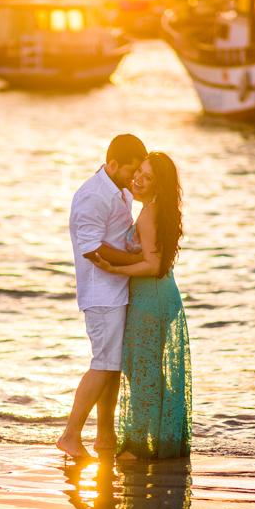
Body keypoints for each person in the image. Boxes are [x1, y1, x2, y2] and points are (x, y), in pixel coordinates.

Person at [90, 152, 191, 460]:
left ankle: (138, 448)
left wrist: (115, 269)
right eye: (138, 173)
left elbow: (153, 264)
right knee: (147, 371)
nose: (138, 180)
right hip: (157, 296)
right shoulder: (157, 209)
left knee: (143, 371)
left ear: (158, 185)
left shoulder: (149, 214)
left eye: (147, 177)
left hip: (152, 298)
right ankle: (158, 441)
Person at [57, 134, 148, 460]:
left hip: (117, 289)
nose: (134, 176)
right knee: (104, 364)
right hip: (101, 293)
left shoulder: (119, 189)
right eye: (131, 170)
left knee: (113, 366)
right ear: (112, 164)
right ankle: (70, 436)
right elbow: (92, 248)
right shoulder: (93, 196)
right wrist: (141, 263)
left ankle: (105, 437)